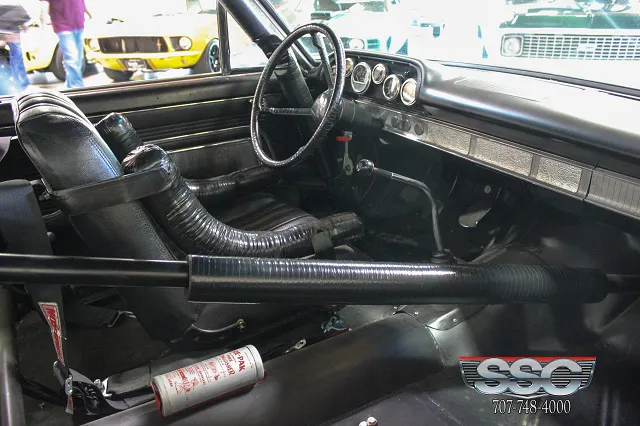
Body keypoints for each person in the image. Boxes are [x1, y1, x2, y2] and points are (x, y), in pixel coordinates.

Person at [40, 0, 91, 89]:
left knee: (79, 58)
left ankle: (70, 84)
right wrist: (43, 21)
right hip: (63, 26)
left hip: (79, 24)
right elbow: (44, 4)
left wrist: (89, 13)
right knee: (72, 57)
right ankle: (76, 86)